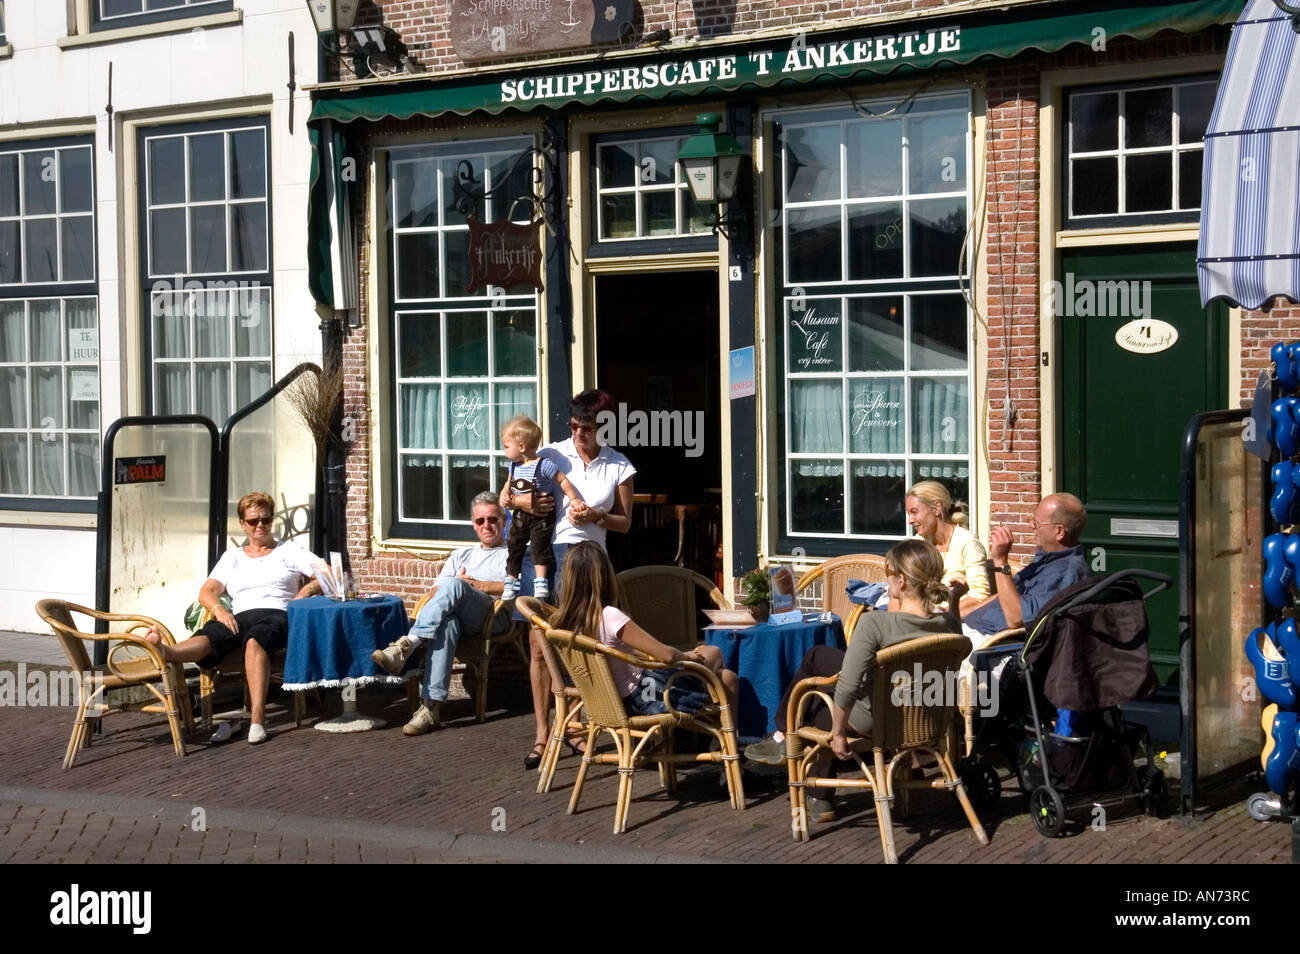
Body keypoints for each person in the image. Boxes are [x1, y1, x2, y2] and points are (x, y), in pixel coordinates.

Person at [744, 539, 961, 822]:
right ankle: (814, 788)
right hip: (927, 717)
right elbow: (949, 626)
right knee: (818, 663)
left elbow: (847, 685)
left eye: (889, 574)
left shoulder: (876, 624)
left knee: (816, 708)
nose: (887, 581)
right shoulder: (949, 626)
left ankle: (795, 754)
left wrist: (837, 734)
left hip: (878, 719)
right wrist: (954, 600)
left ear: (901, 582)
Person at [513, 389, 637, 769]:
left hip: (590, 562)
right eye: (574, 426)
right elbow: (508, 493)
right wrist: (526, 503)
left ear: (603, 426)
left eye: (586, 428)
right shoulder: (550, 453)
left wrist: (595, 516)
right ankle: (542, 734)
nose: (578, 434)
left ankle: (580, 728)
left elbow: (626, 523)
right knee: (538, 646)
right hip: (547, 557)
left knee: (581, 645)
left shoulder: (619, 466)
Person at [145, 491, 321, 744]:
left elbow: (327, 573)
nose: (260, 525)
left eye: (266, 520)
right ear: (242, 524)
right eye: (253, 521)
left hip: (279, 614)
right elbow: (207, 591)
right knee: (213, 633)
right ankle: (166, 651)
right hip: (239, 615)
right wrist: (220, 610)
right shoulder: (233, 557)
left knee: (255, 640)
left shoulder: (289, 551)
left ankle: (257, 719)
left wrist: (305, 592)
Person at [370, 491, 510, 735]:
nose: (486, 525)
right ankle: (430, 709)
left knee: (456, 585)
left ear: (504, 520)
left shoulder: (515, 554)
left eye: (492, 519)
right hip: (460, 618)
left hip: (494, 618)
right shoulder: (461, 555)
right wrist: (458, 585)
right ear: (473, 524)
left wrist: (474, 585)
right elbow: (436, 592)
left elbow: (521, 589)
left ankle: (406, 645)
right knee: (448, 624)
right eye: (480, 521)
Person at [550, 541, 738, 716]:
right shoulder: (609, 616)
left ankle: (719, 741)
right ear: (605, 576)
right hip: (644, 696)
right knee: (713, 652)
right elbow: (667, 656)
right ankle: (726, 742)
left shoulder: (565, 622)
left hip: (610, 701)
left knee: (727, 677)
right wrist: (687, 656)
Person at [961, 492, 1089, 645]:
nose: (1031, 526)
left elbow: (1016, 619)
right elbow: (1004, 595)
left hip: (989, 643)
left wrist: (1001, 561)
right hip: (971, 628)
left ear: (1059, 532)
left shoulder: (1067, 572)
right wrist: (961, 613)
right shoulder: (1047, 559)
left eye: (1037, 522)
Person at [498, 415, 586, 601]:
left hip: (542, 516)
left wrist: (574, 498)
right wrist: (504, 494)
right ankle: (511, 579)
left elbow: (562, 480)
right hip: (521, 514)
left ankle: (540, 581)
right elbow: (509, 482)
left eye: (507, 446)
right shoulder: (513, 466)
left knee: (540, 546)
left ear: (521, 447)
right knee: (514, 544)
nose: (504, 450)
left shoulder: (543, 464)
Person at [903, 480, 990, 614]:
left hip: (954, 622)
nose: (910, 520)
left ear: (937, 509)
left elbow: (980, 596)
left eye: (914, 512)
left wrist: (944, 612)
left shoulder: (967, 543)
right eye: (909, 513)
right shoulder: (918, 543)